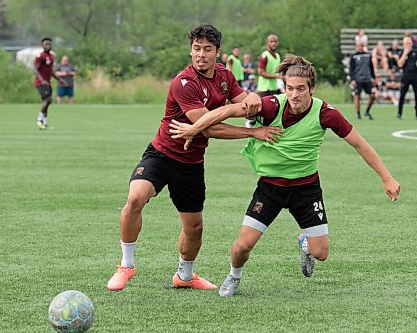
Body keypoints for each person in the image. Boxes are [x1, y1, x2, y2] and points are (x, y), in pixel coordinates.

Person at [169, 54, 401, 297]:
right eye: (290, 88)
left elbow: (360, 144)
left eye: (301, 89)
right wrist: (196, 128)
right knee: (242, 247)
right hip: (270, 188)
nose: (295, 94)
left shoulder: (326, 113)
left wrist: (386, 177)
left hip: (306, 188)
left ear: (312, 88)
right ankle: (233, 276)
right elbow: (227, 110)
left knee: (321, 253)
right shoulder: (271, 106)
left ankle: (306, 244)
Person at [106, 24, 281, 292]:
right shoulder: (183, 83)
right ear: (190, 51)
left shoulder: (224, 75)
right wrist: (253, 131)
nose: (201, 54)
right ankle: (126, 265)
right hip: (162, 154)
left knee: (195, 228)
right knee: (135, 197)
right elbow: (207, 127)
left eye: (207, 49)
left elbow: (245, 102)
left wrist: (254, 98)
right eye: (196, 49)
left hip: (192, 162)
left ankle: (185, 276)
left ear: (217, 52)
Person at [33, 37, 66, 130]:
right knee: (48, 99)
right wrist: (42, 80)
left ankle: (44, 122)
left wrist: (59, 79)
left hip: (47, 83)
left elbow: (50, 71)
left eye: (49, 44)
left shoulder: (51, 57)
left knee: (46, 102)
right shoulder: (40, 56)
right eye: (46, 44)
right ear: (42, 45)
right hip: (40, 83)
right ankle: (39, 119)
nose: (47, 46)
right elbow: (35, 69)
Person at [250, 34, 282, 128]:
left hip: (274, 86)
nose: (273, 43)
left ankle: (271, 127)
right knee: (264, 110)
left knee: (275, 108)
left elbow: (277, 71)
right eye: (271, 41)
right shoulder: (265, 55)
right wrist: (276, 76)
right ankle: (252, 124)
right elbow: (260, 72)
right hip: (265, 87)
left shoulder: (277, 55)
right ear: (268, 43)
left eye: (275, 41)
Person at [349, 41, 376, 120]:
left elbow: (371, 68)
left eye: (362, 46)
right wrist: (352, 79)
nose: (360, 47)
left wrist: (373, 78)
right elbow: (351, 69)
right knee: (357, 96)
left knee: (373, 96)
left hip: (367, 79)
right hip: (358, 80)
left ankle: (367, 111)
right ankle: (358, 114)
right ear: (356, 46)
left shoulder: (368, 55)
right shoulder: (353, 56)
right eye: (359, 46)